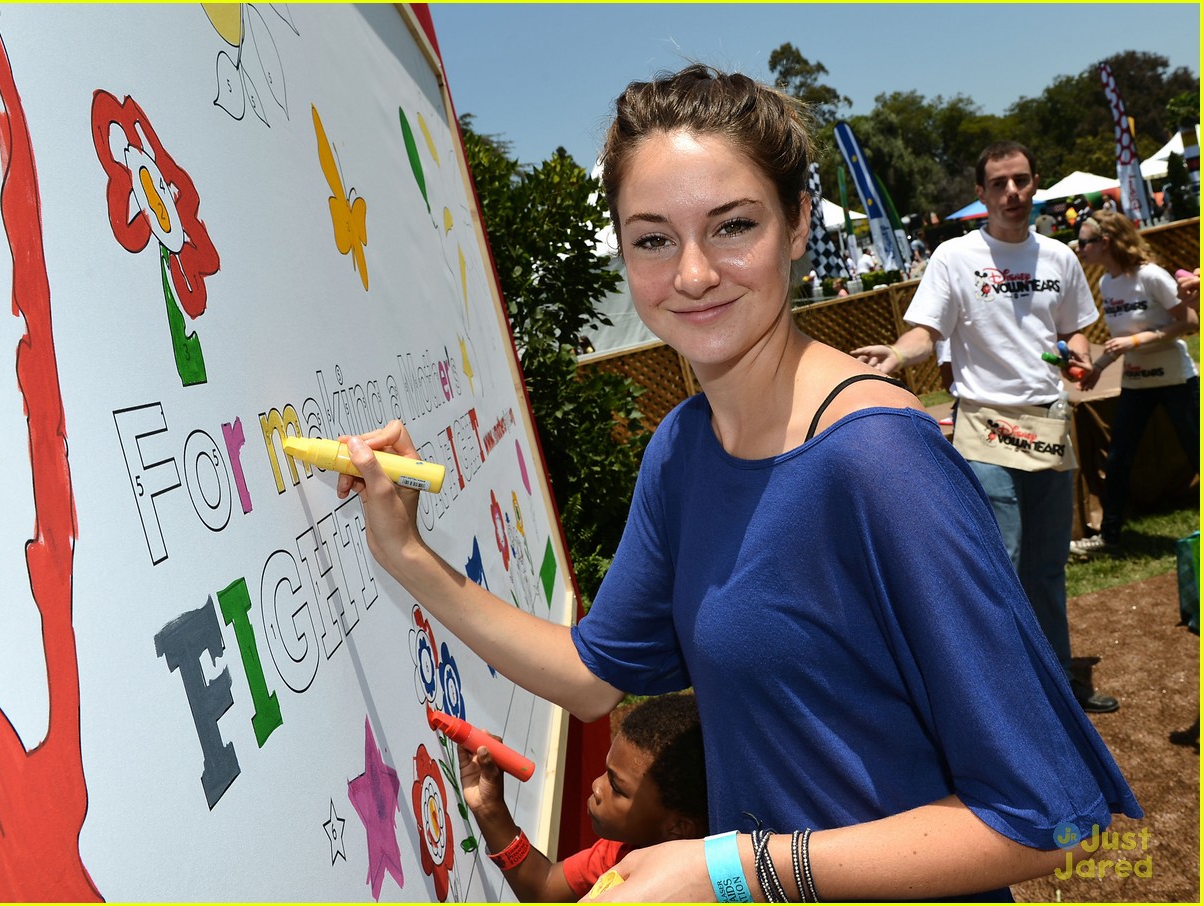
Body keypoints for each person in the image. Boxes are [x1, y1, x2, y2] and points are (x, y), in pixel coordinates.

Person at [338, 70, 1139, 902]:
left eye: (732, 226)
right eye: (652, 238)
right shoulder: (684, 448)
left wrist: (733, 868)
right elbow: (588, 676)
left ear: (796, 223)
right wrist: (406, 554)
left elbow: (1039, 815)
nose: (692, 274)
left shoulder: (878, 459)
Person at [851, 141, 1121, 715]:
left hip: (1048, 421)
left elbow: (1074, 330)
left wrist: (1075, 356)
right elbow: (926, 331)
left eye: (1021, 181)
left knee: (1047, 565)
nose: (1012, 193)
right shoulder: (955, 257)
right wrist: (898, 357)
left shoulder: (1059, 258)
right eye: (999, 183)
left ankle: (1060, 681)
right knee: (1001, 559)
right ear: (981, 193)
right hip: (986, 428)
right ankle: (1006, 692)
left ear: (1035, 184)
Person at [459, 692, 707, 901]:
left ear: (678, 829)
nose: (597, 786)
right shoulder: (624, 850)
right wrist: (489, 808)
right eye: (605, 772)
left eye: (617, 788)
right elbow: (544, 887)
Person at [1069, 212, 1199, 556]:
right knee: (1118, 459)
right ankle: (1109, 536)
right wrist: (1096, 368)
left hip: (1176, 379)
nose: (1079, 248)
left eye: (1084, 242)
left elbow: (1191, 321)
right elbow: (1120, 341)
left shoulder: (1151, 276)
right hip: (1136, 382)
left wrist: (1138, 342)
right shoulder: (1107, 284)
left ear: (1106, 242)